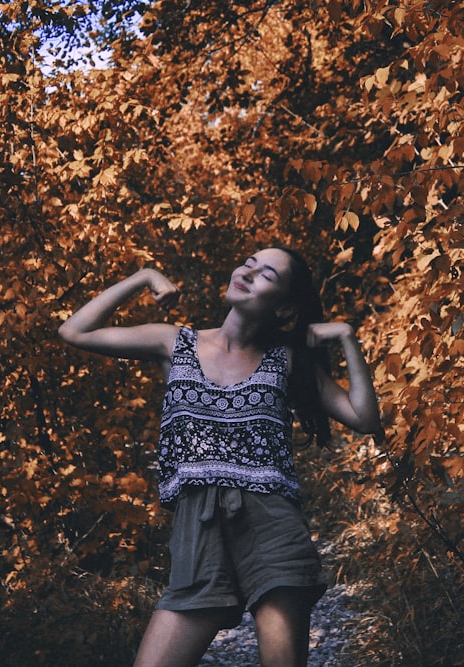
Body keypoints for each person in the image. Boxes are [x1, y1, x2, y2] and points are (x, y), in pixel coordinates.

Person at [58, 247, 381, 667]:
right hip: (198, 527)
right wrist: (144, 275)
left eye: (266, 274)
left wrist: (346, 338)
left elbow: (364, 418)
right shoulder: (174, 341)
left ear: (283, 305)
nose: (247, 272)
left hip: (273, 526)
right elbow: (74, 332)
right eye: (248, 262)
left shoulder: (287, 360)